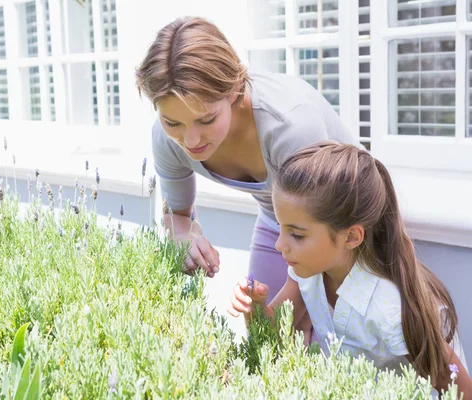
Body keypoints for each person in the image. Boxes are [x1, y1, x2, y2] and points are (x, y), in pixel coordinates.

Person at [134, 16, 361, 341]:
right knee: (263, 343)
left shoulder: (290, 126)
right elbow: (177, 216)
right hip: (280, 222)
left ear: (233, 90)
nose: (191, 140)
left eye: (206, 118)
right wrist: (183, 238)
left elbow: (320, 234)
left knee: (325, 349)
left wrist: (277, 321)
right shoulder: (166, 139)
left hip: (343, 227)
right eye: (174, 123)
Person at [228, 141, 471, 397]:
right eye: (281, 227)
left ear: (352, 237)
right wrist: (254, 308)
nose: (279, 245)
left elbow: (461, 390)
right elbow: (271, 338)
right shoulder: (308, 274)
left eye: (297, 235)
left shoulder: (388, 309)